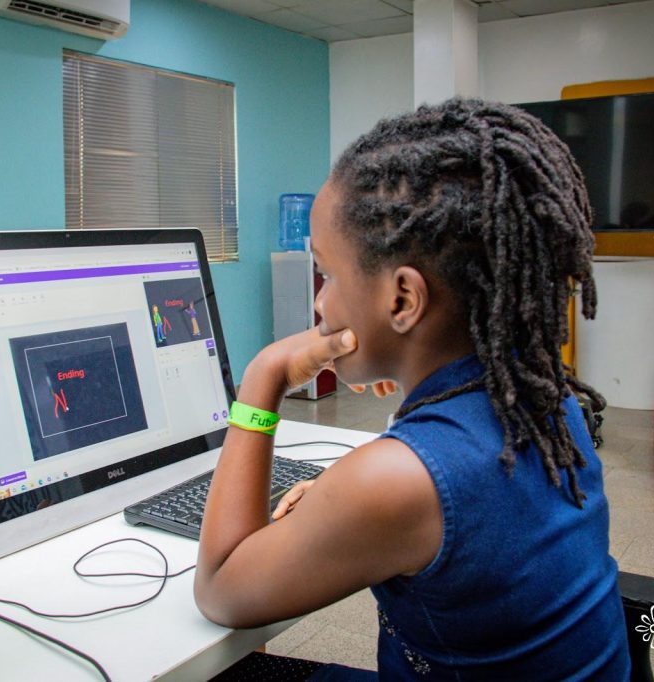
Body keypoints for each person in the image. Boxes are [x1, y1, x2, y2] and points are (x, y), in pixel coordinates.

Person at [194, 97, 629, 680]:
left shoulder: (398, 482)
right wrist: (349, 497)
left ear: (402, 300)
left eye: (328, 273)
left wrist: (264, 374)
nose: (320, 301)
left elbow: (221, 590)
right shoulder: (547, 401)